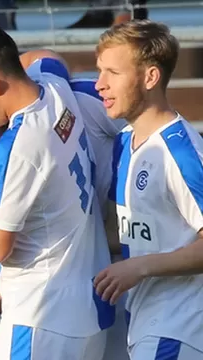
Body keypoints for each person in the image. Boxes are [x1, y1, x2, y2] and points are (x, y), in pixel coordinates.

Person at [0, 20, 114, 359]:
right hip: (87, 314)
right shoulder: (54, 87)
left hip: (39, 317)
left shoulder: (17, 148)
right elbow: (44, 55)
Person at [93, 20, 203, 359]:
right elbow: (131, 232)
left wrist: (139, 267)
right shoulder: (125, 141)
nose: (100, 85)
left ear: (150, 77)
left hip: (178, 328)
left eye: (113, 73)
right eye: (100, 72)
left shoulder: (181, 152)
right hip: (145, 323)